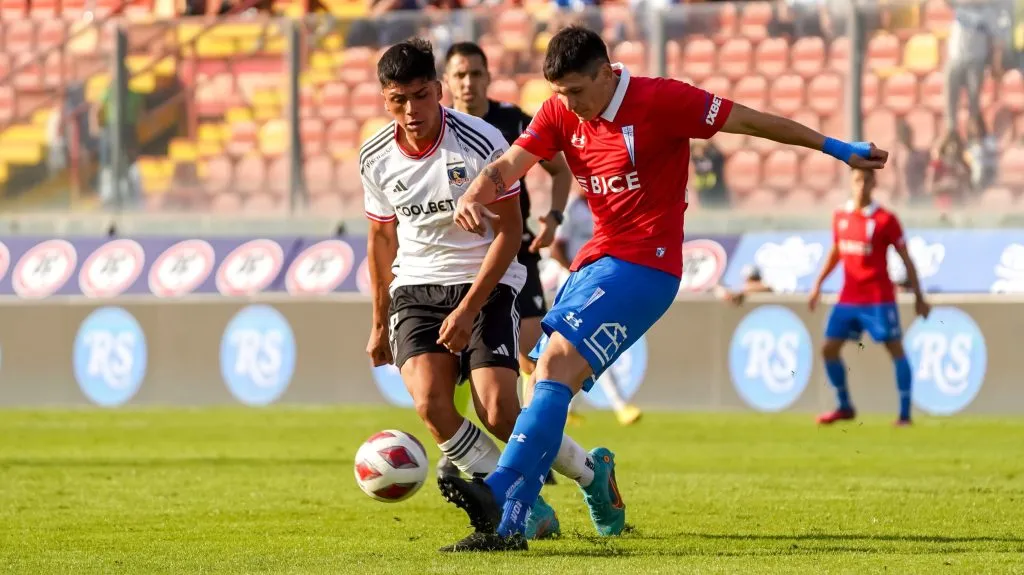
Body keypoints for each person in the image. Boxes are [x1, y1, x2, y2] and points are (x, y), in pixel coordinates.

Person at [436, 25, 889, 552]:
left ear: (606, 73)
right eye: (560, 94)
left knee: (553, 364)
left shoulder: (662, 100)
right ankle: (591, 479)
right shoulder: (561, 110)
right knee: (542, 386)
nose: (569, 105)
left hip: (648, 267)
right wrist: (476, 189)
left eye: (578, 91)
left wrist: (837, 148)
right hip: (596, 262)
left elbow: (750, 120)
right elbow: (513, 162)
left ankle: (502, 501)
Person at [361, 38, 606, 545]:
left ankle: (589, 472)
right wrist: (376, 322)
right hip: (416, 288)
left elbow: (510, 234)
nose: (410, 110)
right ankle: (523, 503)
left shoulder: (482, 141)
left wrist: (469, 308)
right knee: (431, 404)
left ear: (439, 89)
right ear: (385, 100)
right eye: (397, 100)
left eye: (421, 95)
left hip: (486, 282)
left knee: (498, 410)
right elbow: (382, 238)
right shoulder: (374, 156)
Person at [436, 41, 574, 480]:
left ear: (487, 78)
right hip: (456, 263)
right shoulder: (436, 130)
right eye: (460, 75)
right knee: (448, 362)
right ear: (447, 82)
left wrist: (552, 217)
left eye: (476, 74)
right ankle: (457, 447)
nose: (468, 83)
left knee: (532, 357)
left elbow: (559, 169)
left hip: (516, 254)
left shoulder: (511, 119)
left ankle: (534, 444)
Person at [808, 168, 931, 427]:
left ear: (874, 183)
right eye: (857, 180)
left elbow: (905, 258)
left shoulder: (885, 219)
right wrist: (818, 284)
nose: (861, 185)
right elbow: (836, 251)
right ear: (850, 182)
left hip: (878, 298)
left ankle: (905, 415)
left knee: (894, 348)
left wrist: (919, 296)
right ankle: (844, 406)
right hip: (848, 298)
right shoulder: (840, 216)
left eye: (866, 180)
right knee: (828, 350)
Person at [550, 187, 642, 426]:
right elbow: (555, 248)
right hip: (577, 280)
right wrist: (575, 272)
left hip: (598, 278)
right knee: (591, 340)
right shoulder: (571, 208)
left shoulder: (601, 204)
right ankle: (620, 406)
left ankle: (567, 408)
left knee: (582, 343)